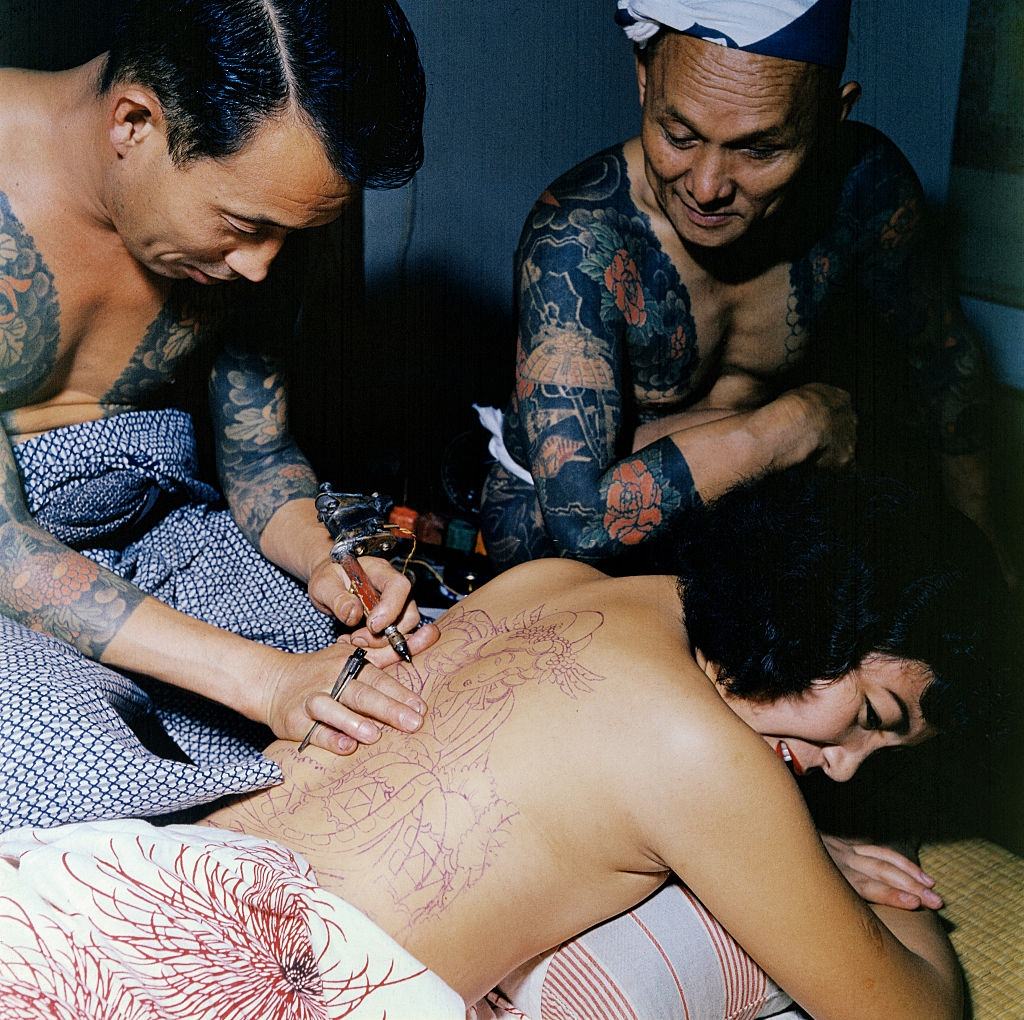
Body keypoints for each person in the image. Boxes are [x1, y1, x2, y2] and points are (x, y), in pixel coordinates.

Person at [200, 468, 1004, 1017]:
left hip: (124, 889)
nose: (847, 766)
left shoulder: (555, 582)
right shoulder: (698, 753)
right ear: (820, 609)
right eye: (872, 714)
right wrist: (875, 833)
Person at [0, 0, 438, 832]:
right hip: (8, 555)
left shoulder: (261, 220)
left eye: (289, 235)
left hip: (157, 517)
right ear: (135, 121)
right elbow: (5, 548)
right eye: (243, 227)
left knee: (390, 674)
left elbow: (259, 451)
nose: (261, 266)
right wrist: (266, 682)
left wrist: (326, 559)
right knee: (57, 755)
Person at [479, 0, 995, 573]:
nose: (706, 188)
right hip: (559, 552)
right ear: (644, 82)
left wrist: (985, 553)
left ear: (832, 117)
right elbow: (580, 519)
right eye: (679, 136)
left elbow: (946, 363)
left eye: (760, 150)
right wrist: (795, 424)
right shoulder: (579, 236)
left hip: (743, 526)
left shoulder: (866, 188)